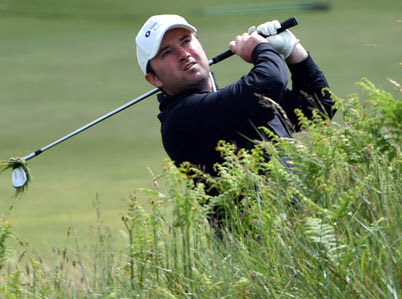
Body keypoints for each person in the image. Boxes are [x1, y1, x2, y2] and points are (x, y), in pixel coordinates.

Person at [135, 14, 334, 189]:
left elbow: (318, 111)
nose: (183, 54)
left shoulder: (237, 101)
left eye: (186, 41)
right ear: (154, 79)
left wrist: (291, 49)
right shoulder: (181, 119)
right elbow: (270, 80)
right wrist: (261, 49)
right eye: (167, 52)